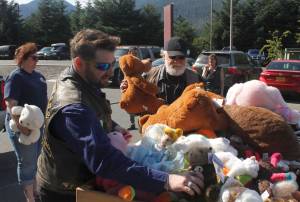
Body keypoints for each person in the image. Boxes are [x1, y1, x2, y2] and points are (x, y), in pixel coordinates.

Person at [36, 29, 204, 202]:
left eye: (112, 63)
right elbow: (105, 161)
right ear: (79, 63)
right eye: (102, 66)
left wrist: (112, 125)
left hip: (81, 182)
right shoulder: (73, 107)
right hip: (63, 193)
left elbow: (91, 112)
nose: (110, 72)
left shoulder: (79, 78)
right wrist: (167, 180)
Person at [4, 43, 48, 202]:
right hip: (23, 128)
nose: (37, 60)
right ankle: (30, 198)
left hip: (39, 127)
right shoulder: (16, 76)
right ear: (22, 59)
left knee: (37, 160)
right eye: (34, 57)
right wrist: (22, 128)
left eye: (38, 57)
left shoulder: (39, 76)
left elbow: (45, 101)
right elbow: (11, 105)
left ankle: (35, 192)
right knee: (27, 163)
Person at [121, 37, 203, 105]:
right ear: (164, 56)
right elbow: (135, 105)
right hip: (155, 123)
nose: (177, 61)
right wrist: (127, 91)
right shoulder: (148, 75)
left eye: (181, 57)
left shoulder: (196, 79)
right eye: (172, 57)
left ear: (186, 58)